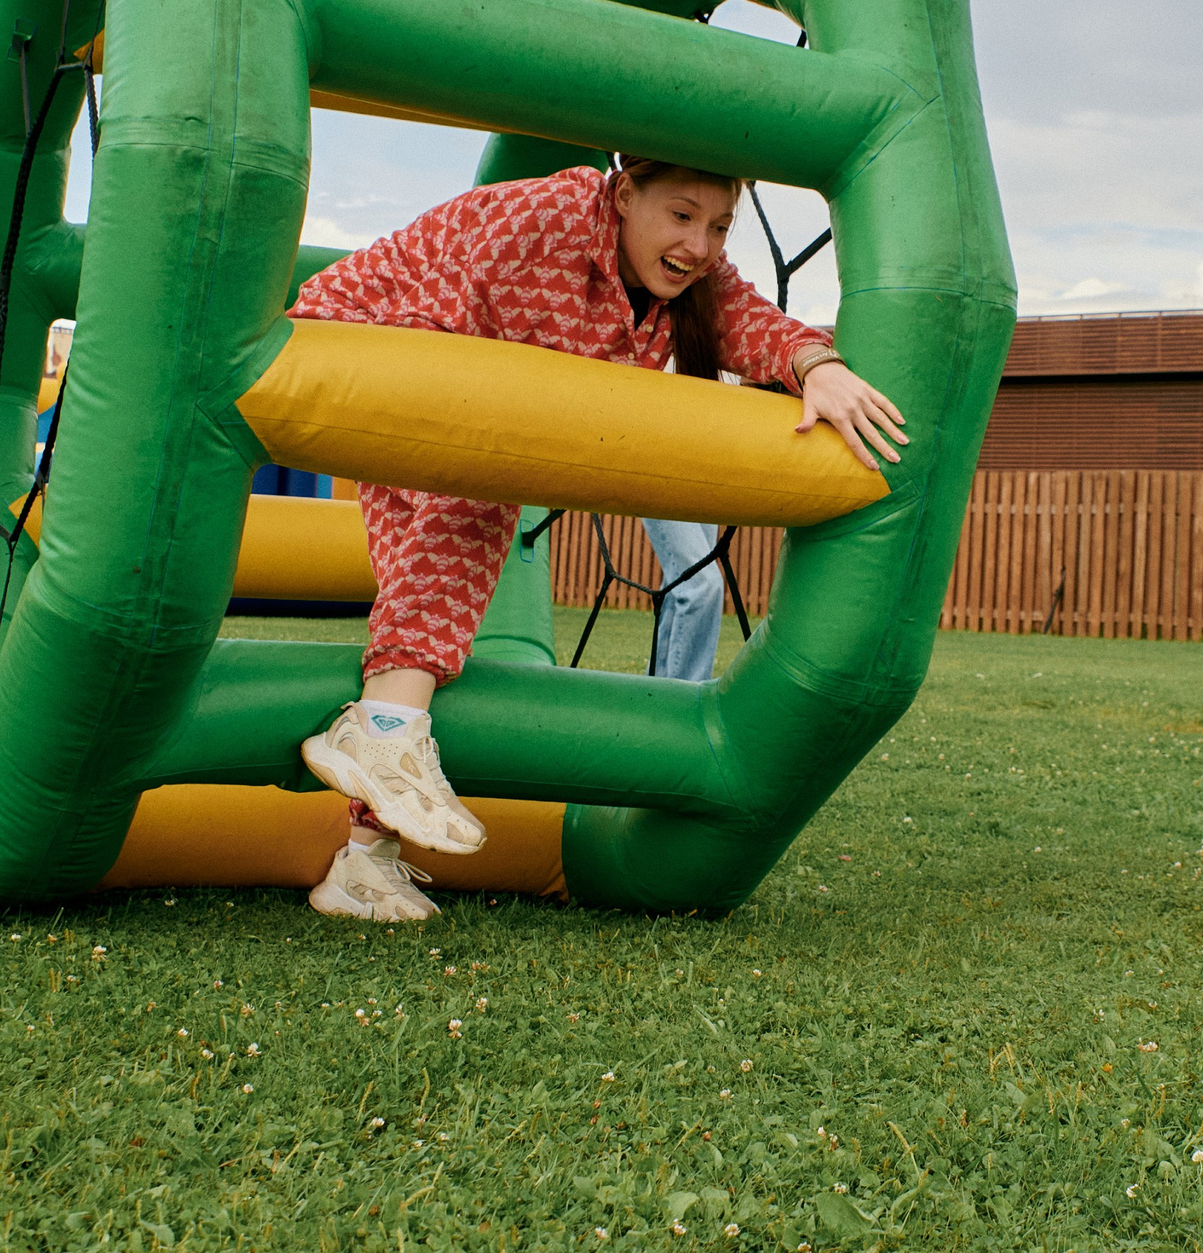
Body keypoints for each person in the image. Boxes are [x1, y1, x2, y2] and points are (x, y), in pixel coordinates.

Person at [289, 158, 907, 920]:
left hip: (440, 383)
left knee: (430, 603)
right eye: (682, 215)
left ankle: (365, 855)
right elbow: (487, 363)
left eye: (719, 225)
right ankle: (382, 731)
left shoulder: (679, 276)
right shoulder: (551, 221)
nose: (701, 243)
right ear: (622, 196)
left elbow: (739, 315)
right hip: (356, 342)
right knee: (477, 498)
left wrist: (816, 361)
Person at [641, 515, 725, 682]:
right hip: (664, 490)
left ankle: (655, 692)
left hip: (704, 493)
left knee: (677, 592)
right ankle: (687, 696)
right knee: (703, 586)